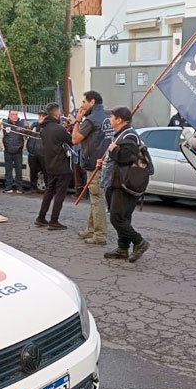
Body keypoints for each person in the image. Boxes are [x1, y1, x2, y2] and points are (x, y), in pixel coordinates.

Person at [104, 106, 150, 262]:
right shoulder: (122, 134)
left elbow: (128, 157)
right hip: (120, 181)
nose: (110, 119)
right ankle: (122, 248)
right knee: (123, 217)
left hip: (125, 183)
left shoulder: (129, 135)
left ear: (119, 120)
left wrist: (113, 151)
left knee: (116, 218)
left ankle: (139, 242)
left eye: (112, 117)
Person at [72, 90, 111, 246]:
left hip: (94, 163)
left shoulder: (91, 120)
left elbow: (75, 139)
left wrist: (77, 120)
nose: (82, 105)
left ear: (92, 102)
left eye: (84, 102)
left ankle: (99, 234)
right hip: (105, 162)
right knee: (96, 197)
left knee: (96, 199)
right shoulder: (107, 117)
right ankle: (90, 229)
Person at [35, 103, 73, 230]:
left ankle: (41, 217)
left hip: (50, 164)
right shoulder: (58, 129)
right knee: (60, 194)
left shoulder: (44, 129)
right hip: (61, 165)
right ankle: (54, 220)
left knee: (49, 191)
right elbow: (71, 141)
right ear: (56, 113)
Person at [0, 110, 26, 194]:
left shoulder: (21, 124)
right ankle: (8, 187)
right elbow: (0, 137)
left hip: (18, 151)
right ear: (9, 115)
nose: (15, 116)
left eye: (16, 114)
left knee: (19, 170)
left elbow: (25, 136)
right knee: (8, 170)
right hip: (8, 150)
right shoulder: (4, 124)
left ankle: (19, 187)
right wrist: (3, 148)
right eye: (12, 114)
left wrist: (26, 128)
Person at [26, 109, 48, 194]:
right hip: (33, 152)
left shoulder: (47, 126)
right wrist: (26, 128)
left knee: (46, 172)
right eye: (40, 115)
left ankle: (48, 189)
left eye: (43, 116)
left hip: (43, 153)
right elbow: (27, 134)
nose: (41, 117)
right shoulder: (34, 125)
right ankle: (33, 187)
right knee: (33, 171)